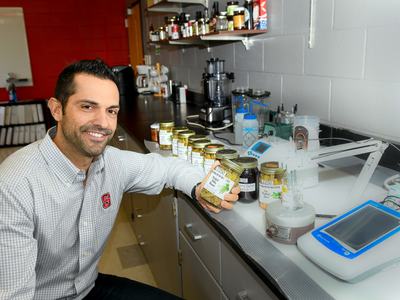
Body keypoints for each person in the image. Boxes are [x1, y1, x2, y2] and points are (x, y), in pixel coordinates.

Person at [0, 59, 239, 300]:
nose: (103, 123)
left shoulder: (111, 162)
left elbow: (167, 168)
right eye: (87, 107)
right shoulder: (14, 186)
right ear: (56, 110)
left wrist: (198, 187)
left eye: (111, 111)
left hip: (88, 288)